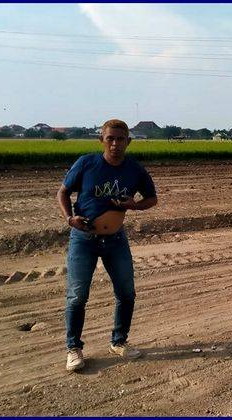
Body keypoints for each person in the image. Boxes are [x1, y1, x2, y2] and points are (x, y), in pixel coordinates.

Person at [57, 119, 157, 371]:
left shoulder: (134, 170)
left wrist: (133, 205)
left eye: (120, 139)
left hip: (115, 240)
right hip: (84, 240)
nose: (115, 143)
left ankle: (119, 341)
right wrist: (70, 219)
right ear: (101, 140)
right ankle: (73, 348)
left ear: (128, 142)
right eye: (110, 138)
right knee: (77, 296)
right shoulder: (87, 163)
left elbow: (152, 198)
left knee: (126, 293)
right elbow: (62, 192)